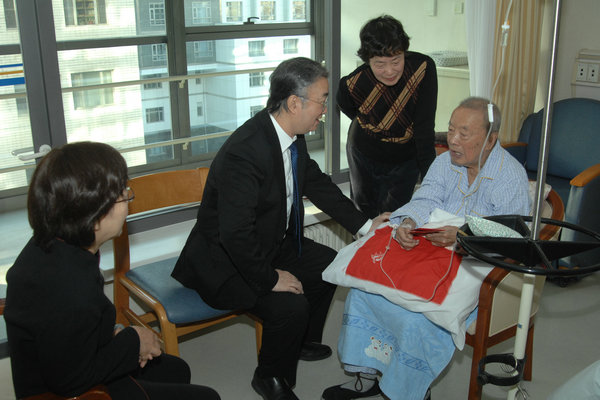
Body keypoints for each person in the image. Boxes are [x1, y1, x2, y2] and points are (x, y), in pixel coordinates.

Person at [171, 57, 388, 400]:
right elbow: (235, 234)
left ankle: (299, 341)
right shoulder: (245, 153)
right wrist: (271, 278)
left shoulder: (290, 135)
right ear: (294, 103)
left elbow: (316, 182)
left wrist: (364, 225)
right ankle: (269, 377)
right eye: (322, 101)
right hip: (225, 260)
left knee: (328, 265)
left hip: (268, 241)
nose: (324, 110)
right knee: (290, 306)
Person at [322, 97, 531, 400]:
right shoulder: (446, 163)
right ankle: (366, 377)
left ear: (490, 139)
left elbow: (509, 239)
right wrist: (408, 222)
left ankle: (409, 391)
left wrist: (464, 236)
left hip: (476, 263)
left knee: (418, 316)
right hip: (431, 251)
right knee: (363, 291)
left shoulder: (509, 177)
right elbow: (426, 198)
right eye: (451, 130)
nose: (453, 140)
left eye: (464, 133)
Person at [4, 142, 220, 400]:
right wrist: (134, 341)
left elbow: (78, 327)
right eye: (122, 193)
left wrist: (117, 333)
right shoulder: (70, 287)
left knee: (176, 370)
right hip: (75, 392)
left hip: (74, 358)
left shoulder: (58, 243)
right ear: (94, 215)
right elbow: (70, 380)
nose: (128, 198)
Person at [338, 15, 438, 219]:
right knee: (364, 216)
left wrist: (432, 180)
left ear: (404, 52)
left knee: (395, 217)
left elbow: (425, 127)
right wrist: (378, 125)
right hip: (363, 152)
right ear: (368, 60)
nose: (390, 71)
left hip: (405, 156)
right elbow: (348, 108)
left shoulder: (422, 69)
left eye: (396, 60)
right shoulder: (353, 83)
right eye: (380, 64)